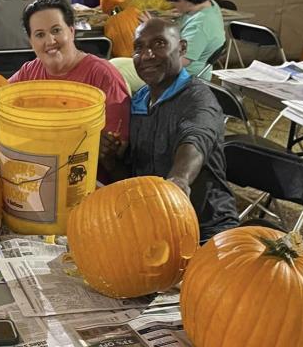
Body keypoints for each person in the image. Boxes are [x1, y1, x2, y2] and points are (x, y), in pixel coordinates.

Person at [101, 18, 238, 241]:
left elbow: (195, 139)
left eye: (159, 44)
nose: (146, 55)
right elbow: (137, 180)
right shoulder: (139, 101)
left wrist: (179, 179)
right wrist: (111, 160)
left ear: (181, 47)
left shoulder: (199, 99)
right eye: (139, 47)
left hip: (204, 230)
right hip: (153, 226)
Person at [10, 0, 131, 160]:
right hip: (33, 168)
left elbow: (116, 149)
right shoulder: (28, 73)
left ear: (72, 31)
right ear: (31, 42)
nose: (50, 41)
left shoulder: (104, 75)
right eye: (40, 35)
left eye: (56, 30)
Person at [163, 0, 226, 80]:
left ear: (187, 0)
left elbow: (180, 62)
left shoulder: (200, 26)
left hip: (182, 78)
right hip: (174, 66)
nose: (173, 4)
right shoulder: (208, 3)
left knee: (123, 76)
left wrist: (155, 33)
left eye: (176, 1)